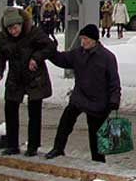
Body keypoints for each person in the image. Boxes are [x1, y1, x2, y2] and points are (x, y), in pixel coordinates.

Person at [44, 24, 121, 163]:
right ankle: (58, 148)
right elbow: (61, 59)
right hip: (79, 97)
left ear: (94, 40)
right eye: (82, 39)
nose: (83, 42)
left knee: (95, 135)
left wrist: (114, 101)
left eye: (85, 39)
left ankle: (98, 162)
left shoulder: (107, 57)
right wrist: (50, 51)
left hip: (98, 102)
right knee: (65, 122)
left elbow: (114, 82)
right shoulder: (78, 54)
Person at [0, 7, 54, 156]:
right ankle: (12, 145)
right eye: (10, 29)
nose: (13, 31)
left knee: (34, 111)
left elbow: (50, 46)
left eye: (15, 27)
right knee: (10, 108)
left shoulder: (34, 32)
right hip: (15, 77)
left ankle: (33, 146)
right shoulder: (3, 37)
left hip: (34, 76)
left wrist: (36, 58)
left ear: (20, 24)